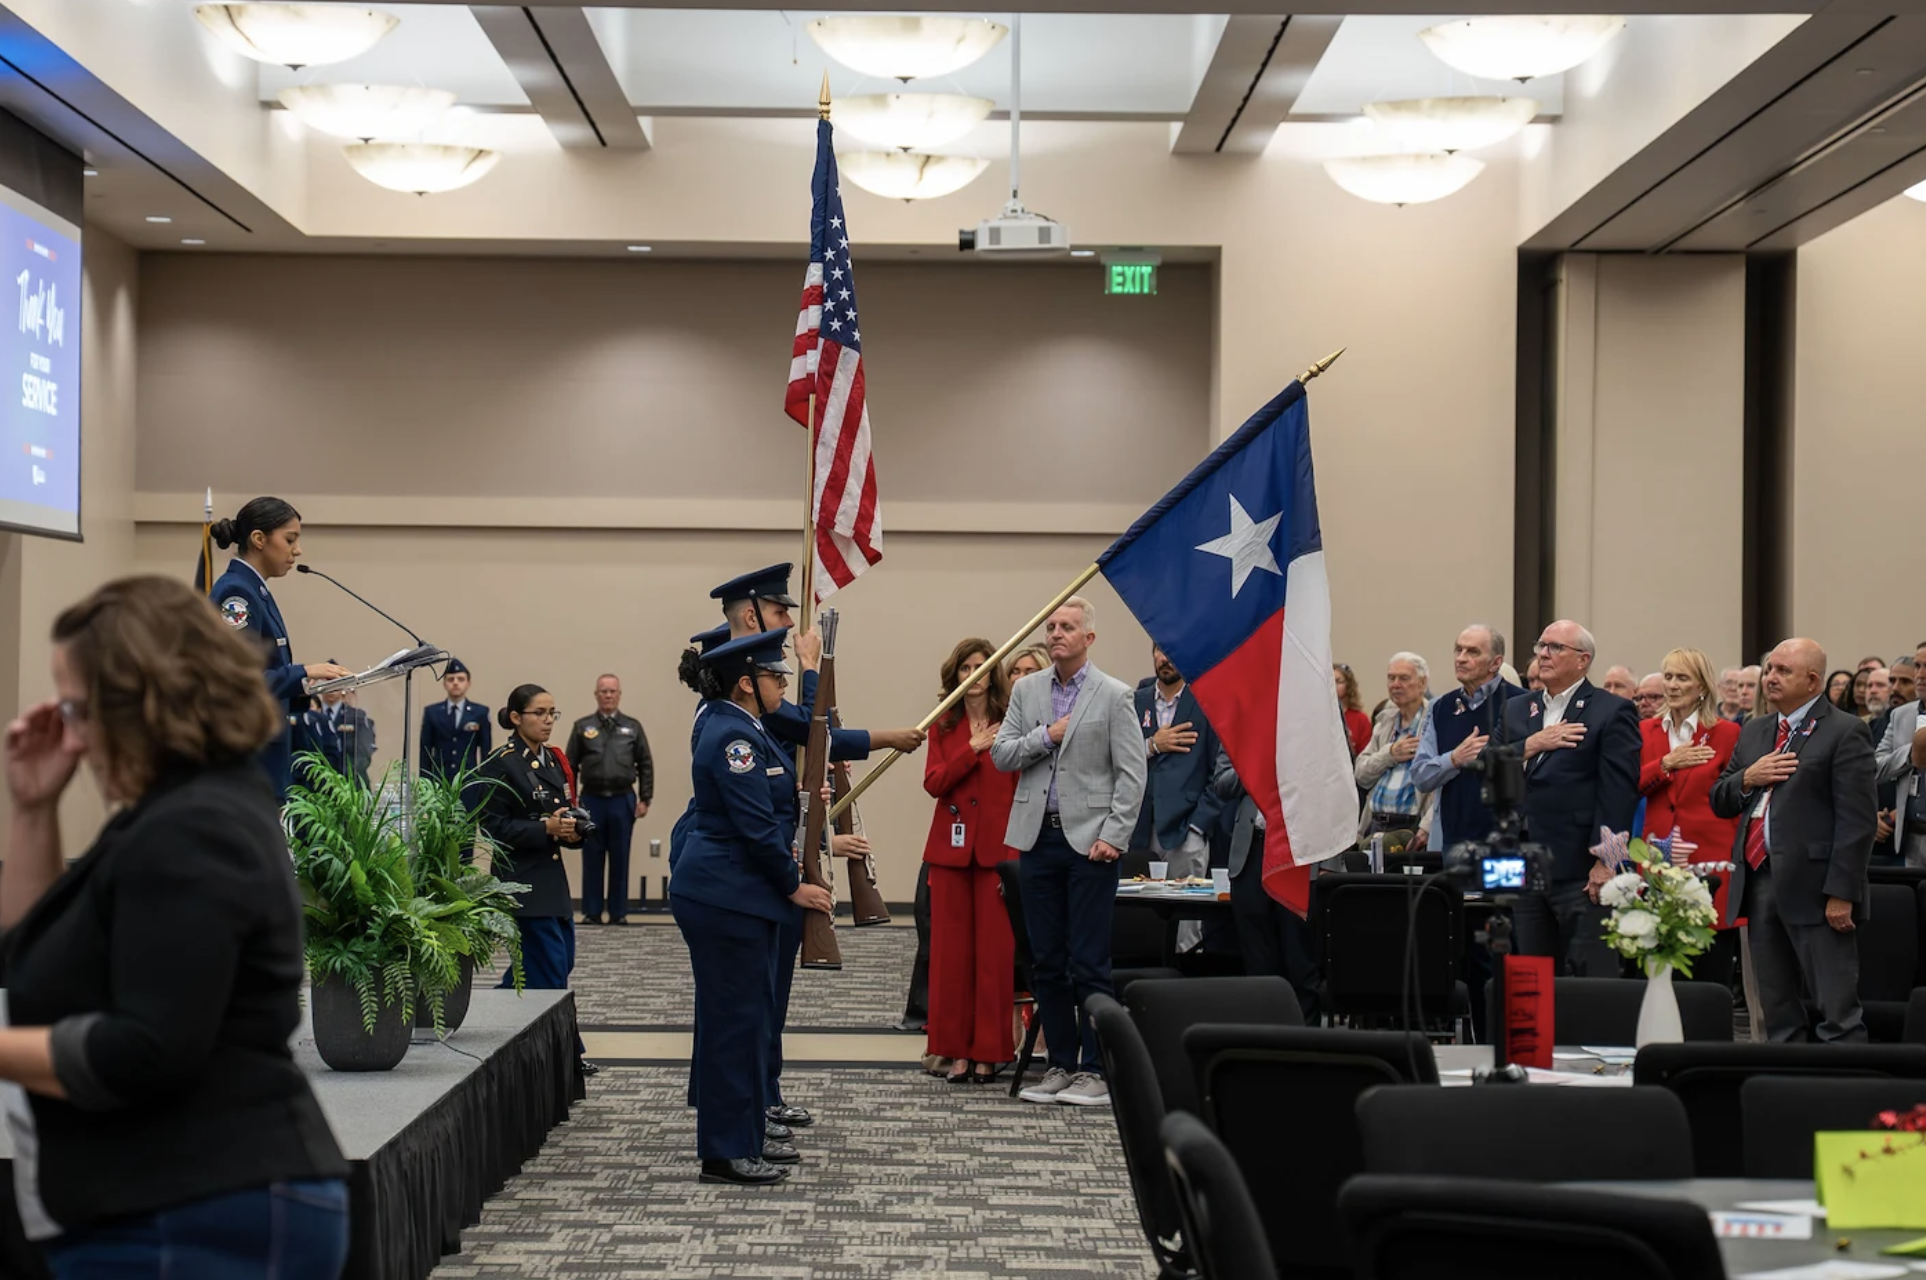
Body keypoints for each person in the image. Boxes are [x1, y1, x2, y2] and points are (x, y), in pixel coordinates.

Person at [0, 575, 349, 1276]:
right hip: (169, 1196)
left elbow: (148, 1050)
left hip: (201, 1204)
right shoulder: (175, 811)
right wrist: (34, 808)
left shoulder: (194, 827)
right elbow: (27, 960)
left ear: (135, 703)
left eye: (74, 705)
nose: (66, 729)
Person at [710, 564, 923, 1129]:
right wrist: (811, 667)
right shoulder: (737, 694)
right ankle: (749, 1106)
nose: (790, 625)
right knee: (745, 1008)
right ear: (752, 616)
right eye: (781, 614)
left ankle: (764, 1094)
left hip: (765, 865)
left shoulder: (751, 694)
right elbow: (811, 727)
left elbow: (810, 731)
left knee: (765, 1001)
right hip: (746, 875)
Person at [670, 628, 831, 1185]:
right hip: (725, 894)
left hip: (737, 893)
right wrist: (795, 886)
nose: (780, 684)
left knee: (746, 1020)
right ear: (746, 682)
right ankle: (724, 1151)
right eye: (774, 676)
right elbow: (756, 827)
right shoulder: (731, 736)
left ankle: (744, 1136)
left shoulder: (744, 726)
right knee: (733, 1026)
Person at [992, 597, 1145, 1108]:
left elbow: (1131, 774)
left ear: (1089, 638)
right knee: (1047, 960)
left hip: (1091, 843)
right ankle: (1059, 1063)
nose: (1056, 633)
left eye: (1068, 627)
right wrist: (1045, 736)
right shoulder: (1027, 690)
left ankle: (1095, 1070)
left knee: (1088, 961)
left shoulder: (1115, 695)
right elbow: (1002, 753)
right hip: (1038, 837)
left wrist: (1115, 835)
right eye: (1052, 626)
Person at [1712, 638, 1876, 1042]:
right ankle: (1789, 1094)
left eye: (1783, 671)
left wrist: (1842, 892)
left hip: (1818, 887)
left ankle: (1846, 1095)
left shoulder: (1845, 730)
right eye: (1769, 669)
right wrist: (1750, 777)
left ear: (1813, 680)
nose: (1771, 677)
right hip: (1760, 879)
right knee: (1777, 1011)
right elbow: (1719, 798)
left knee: (1837, 1013)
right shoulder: (1755, 730)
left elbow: (1857, 823)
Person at [1502, 620, 1641, 977]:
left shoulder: (1611, 711)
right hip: (1521, 865)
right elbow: (1488, 768)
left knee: (1587, 975)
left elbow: (1619, 794)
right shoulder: (1517, 709)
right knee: (1529, 977)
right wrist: (1531, 745)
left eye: (1555, 647)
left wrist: (1608, 861)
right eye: (1541, 646)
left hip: (1580, 868)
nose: (1543, 654)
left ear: (1583, 660)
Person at [470, 684, 592, 1074]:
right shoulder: (501, 764)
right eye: (539, 713)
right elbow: (492, 826)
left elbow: (563, 814)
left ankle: (485, 1022)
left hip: (552, 880)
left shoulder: (553, 761)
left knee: (549, 965)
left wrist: (572, 832)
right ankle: (566, 1053)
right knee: (550, 968)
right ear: (516, 717)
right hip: (522, 882)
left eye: (552, 713)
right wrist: (545, 829)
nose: (547, 721)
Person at [206, 497, 353, 798]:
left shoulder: (254, 589)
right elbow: (236, 682)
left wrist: (306, 687)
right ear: (259, 539)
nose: (297, 551)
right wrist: (303, 672)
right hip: (244, 763)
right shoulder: (237, 594)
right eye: (290, 539)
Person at [920, 639, 1017, 1085]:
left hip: (998, 854)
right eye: (966, 668)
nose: (974, 674)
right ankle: (954, 1051)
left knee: (994, 958)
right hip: (950, 855)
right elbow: (935, 782)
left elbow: (1022, 790)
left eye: (982, 666)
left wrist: (1014, 861)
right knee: (950, 959)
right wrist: (972, 749)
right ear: (954, 675)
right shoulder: (943, 724)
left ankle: (990, 1051)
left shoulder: (1012, 721)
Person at [1633, 648, 1745, 989]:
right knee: (1656, 964)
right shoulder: (1645, 730)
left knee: (1708, 966)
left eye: (1682, 677)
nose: (1672, 685)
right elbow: (1631, 784)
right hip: (1657, 859)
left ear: (1701, 686)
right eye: (1668, 676)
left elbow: (1735, 795)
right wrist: (1667, 764)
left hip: (1710, 858)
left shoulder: (1726, 733)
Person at [1212, 749, 1321, 1016]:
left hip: (1298, 850)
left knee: (1300, 960)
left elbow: (1337, 777)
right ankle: (1263, 1042)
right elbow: (1222, 784)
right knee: (1258, 961)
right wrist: (1256, 764)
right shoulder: (1246, 716)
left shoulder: (1315, 711)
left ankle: (1308, 1044)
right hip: (1251, 852)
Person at [1133, 644, 1227, 951]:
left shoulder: (1207, 702)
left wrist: (1198, 826)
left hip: (1187, 831)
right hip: (1139, 830)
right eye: (1159, 650)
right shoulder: (1135, 703)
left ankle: (1186, 986)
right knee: (1142, 923)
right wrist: (1152, 745)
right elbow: (1113, 759)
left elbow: (1219, 773)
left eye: (1172, 650)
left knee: (1187, 932)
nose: (1165, 658)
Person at [1410, 624, 1523, 854]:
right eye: (1458, 650)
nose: (1461, 658)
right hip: (1452, 842)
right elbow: (1421, 775)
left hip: (1508, 842)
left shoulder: (1522, 704)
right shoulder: (1440, 707)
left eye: (1472, 652)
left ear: (1495, 662)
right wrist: (1454, 758)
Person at [565, 674, 655, 926]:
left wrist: (645, 798)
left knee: (620, 856)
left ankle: (618, 913)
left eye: (612, 691)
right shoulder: (582, 727)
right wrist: (572, 802)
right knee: (592, 856)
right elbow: (569, 766)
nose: (608, 695)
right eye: (603, 691)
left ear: (619, 695)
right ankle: (592, 912)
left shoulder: (632, 727)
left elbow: (645, 764)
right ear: (596, 695)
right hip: (591, 800)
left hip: (622, 799)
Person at [420, 659, 492, 780]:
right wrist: (425, 781)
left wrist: (484, 781)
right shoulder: (432, 712)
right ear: (444, 684)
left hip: (468, 780)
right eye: (450, 679)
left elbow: (485, 750)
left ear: (468, 683)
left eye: (461, 679)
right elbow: (425, 750)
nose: (455, 683)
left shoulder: (480, 712)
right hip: (439, 780)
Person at [1333, 663, 1371, 758]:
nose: (1333, 686)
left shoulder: (1360, 719)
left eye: (1338, 681)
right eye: (1330, 682)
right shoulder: (1318, 717)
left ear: (1348, 685)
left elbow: (1365, 755)